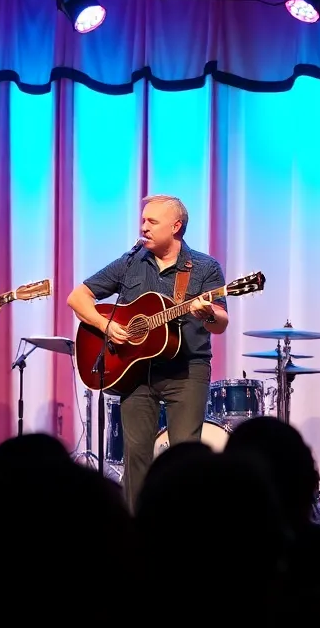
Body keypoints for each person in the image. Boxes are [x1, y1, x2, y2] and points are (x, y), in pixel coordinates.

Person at [66, 194, 228, 509]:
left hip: (187, 370)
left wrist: (206, 311)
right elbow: (78, 297)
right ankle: (134, 532)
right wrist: (105, 324)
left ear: (176, 226)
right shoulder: (132, 262)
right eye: (143, 220)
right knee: (136, 456)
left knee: (185, 460)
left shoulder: (205, 267)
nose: (144, 227)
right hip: (136, 371)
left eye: (152, 221)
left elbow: (221, 322)